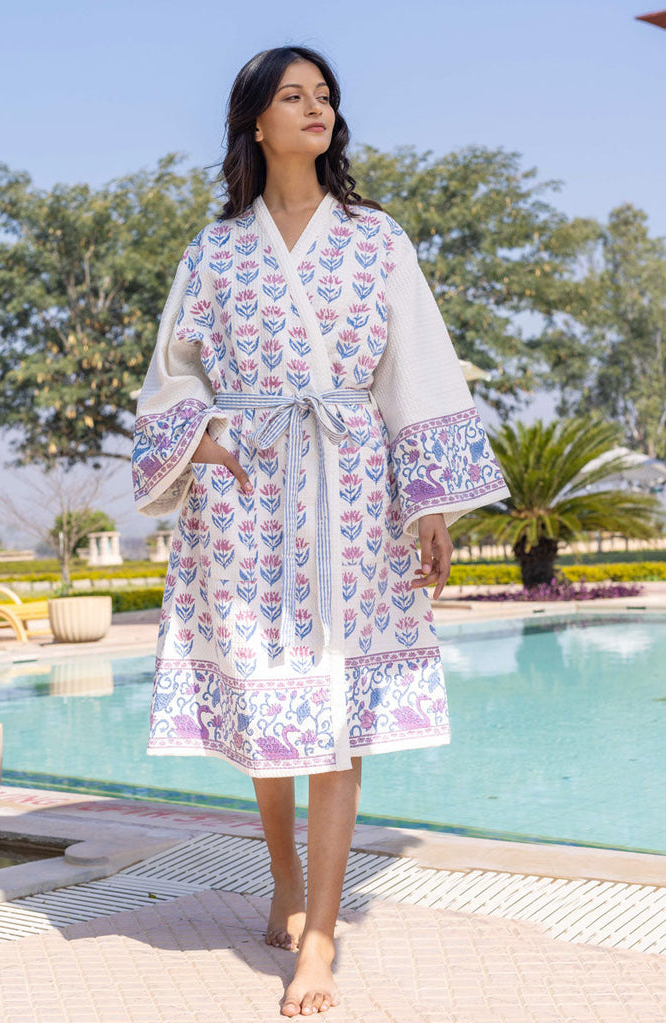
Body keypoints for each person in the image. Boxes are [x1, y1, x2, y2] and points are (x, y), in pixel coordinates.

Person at [132, 45, 511, 1018]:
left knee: (336, 713)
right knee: (269, 706)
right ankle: (284, 880)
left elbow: (415, 365)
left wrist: (428, 502)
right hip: (245, 497)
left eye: (325, 96)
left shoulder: (375, 238)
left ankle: (321, 938)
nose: (316, 108)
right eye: (293, 96)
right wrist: (199, 440)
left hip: (351, 488)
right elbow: (173, 371)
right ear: (255, 123)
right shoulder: (215, 251)